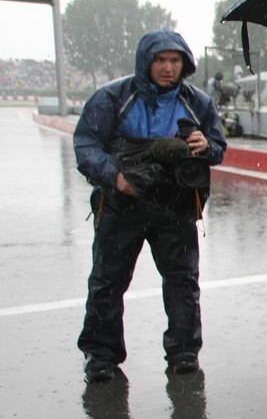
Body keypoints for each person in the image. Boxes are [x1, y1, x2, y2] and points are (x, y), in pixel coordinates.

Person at [74, 30, 227, 382]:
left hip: (175, 206)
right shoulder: (113, 97)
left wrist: (206, 145)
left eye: (175, 61)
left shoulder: (198, 102)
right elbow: (86, 145)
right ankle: (101, 355)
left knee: (182, 281)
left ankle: (184, 352)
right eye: (160, 60)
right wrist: (114, 176)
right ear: (146, 61)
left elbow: (218, 149)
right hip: (121, 203)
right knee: (107, 281)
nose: (168, 68)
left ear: (184, 64)